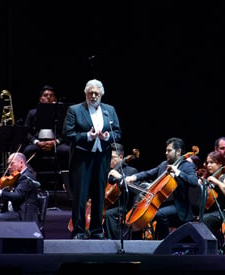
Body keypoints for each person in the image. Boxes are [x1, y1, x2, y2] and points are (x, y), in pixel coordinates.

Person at [63, 79, 122, 240]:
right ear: (86, 94)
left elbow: (117, 133)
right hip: (82, 158)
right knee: (81, 196)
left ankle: (97, 230)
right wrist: (88, 136)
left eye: (97, 93)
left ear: (101, 94)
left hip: (102, 157)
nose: (94, 96)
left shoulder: (109, 110)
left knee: (98, 195)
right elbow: (67, 134)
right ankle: (79, 231)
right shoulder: (74, 110)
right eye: (91, 93)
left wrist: (107, 136)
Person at [124, 137, 199, 240]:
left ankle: (163, 242)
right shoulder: (164, 165)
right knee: (138, 217)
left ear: (179, 151)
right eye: (166, 150)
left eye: (169, 150)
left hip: (178, 206)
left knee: (160, 214)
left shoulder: (186, 166)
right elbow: (148, 173)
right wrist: (134, 177)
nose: (166, 153)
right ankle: (135, 244)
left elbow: (194, 181)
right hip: (160, 203)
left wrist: (177, 172)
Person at [23, 85, 70, 170]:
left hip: (56, 143)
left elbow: (66, 131)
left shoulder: (62, 112)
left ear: (55, 99)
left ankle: (64, 178)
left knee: (67, 151)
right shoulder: (32, 113)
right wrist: (36, 142)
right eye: (45, 95)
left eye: (51, 95)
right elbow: (25, 131)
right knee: (28, 150)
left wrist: (55, 142)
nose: (48, 97)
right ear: (40, 99)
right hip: (38, 143)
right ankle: (32, 176)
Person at [199, 151, 225, 249]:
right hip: (210, 212)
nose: (209, 165)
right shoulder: (207, 179)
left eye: (212, 162)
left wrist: (217, 183)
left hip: (224, 213)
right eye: (207, 163)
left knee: (205, 220)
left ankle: (215, 248)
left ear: (220, 164)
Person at [0, 152, 39, 222]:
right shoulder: (17, 176)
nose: (9, 167)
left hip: (23, 214)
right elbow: (9, 193)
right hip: (13, 211)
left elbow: (17, 195)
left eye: (12, 164)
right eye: (8, 164)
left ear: (21, 163)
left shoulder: (27, 177)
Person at [103, 143, 141, 240]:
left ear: (121, 157)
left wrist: (120, 178)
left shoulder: (131, 171)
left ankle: (112, 242)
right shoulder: (106, 170)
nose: (109, 160)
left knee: (109, 214)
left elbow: (135, 191)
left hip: (124, 206)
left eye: (112, 157)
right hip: (107, 204)